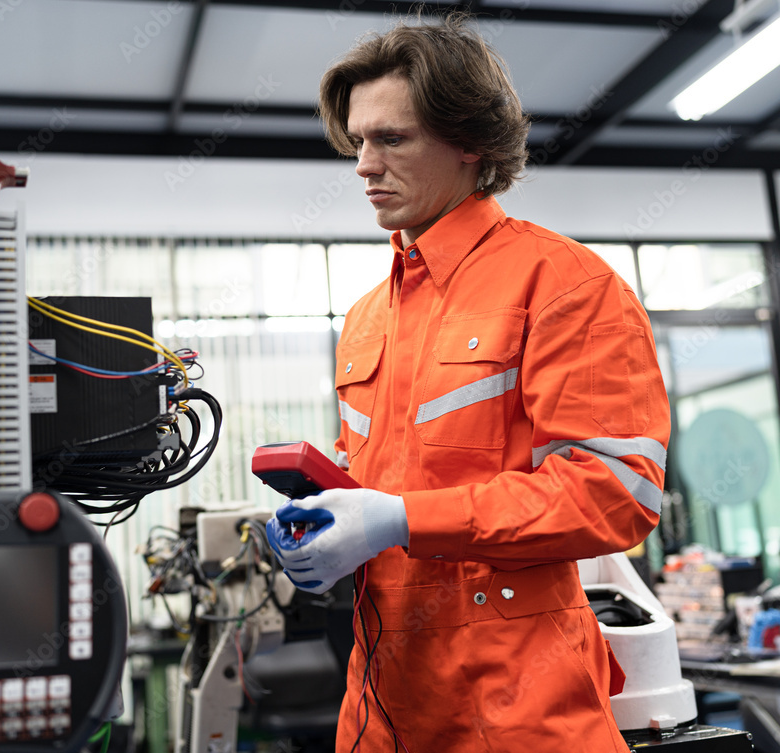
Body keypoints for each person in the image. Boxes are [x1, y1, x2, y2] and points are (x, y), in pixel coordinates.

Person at [266, 13, 670, 753]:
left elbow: (615, 495)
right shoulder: (366, 317)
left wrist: (400, 520)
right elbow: (372, 477)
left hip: (518, 710)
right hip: (381, 708)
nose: (363, 164)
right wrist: (324, 523)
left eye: (392, 138)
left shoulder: (563, 284)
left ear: (469, 142)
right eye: (358, 140)